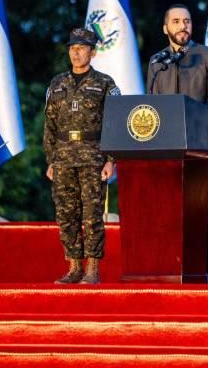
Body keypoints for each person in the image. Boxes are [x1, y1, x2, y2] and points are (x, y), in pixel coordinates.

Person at [44, 27, 120, 285]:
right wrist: (50, 160)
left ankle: (92, 270)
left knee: (91, 215)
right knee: (66, 214)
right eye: (72, 48)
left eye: (81, 48)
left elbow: (114, 124)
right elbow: (50, 125)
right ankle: (74, 267)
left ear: (93, 52)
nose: (76, 53)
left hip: (93, 157)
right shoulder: (56, 84)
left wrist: (111, 159)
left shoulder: (105, 84)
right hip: (63, 157)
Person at [146, 4, 208, 113]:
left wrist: (198, 118)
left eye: (187, 21)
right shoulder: (156, 60)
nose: (183, 26)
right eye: (176, 21)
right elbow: (152, 101)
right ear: (165, 29)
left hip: (200, 126)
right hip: (166, 127)